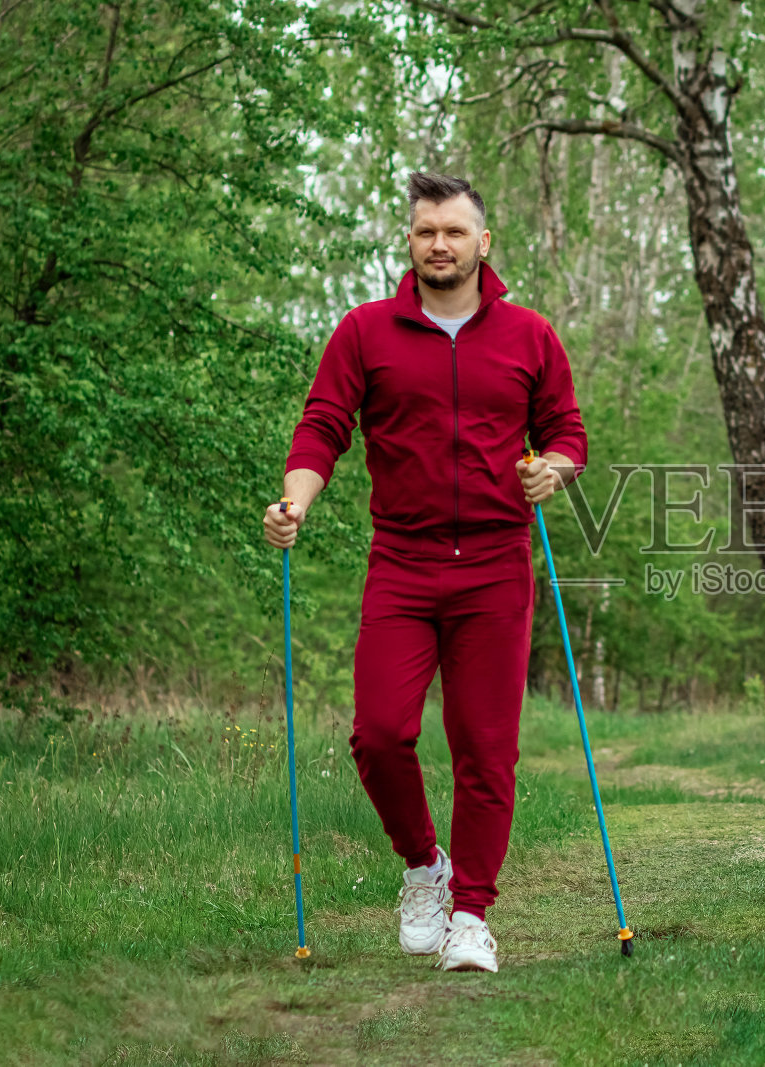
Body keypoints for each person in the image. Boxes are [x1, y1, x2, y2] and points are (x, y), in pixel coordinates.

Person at [263, 172, 586, 973]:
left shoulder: (530, 335)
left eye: (452, 230)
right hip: (402, 564)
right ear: (409, 243)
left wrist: (555, 467)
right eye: (423, 231)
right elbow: (323, 426)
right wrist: (294, 501)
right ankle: (423, 866)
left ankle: (472, 913)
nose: (437, 243)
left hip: (495, 566)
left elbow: (566, 430)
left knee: (485, 749)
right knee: (379, 734)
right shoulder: (366, 331)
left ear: (484, 242)